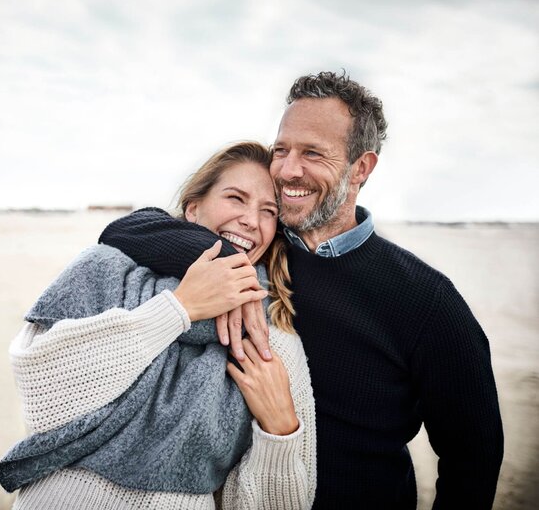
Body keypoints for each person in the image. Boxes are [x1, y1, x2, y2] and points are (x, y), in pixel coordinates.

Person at [99, 71, 505, 509]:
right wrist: (222, 260)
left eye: (313, 153)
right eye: (282, 150)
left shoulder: (425, 299)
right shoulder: (258, 248)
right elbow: (127, 228)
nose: (289, 170)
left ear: (361, 168)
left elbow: (474, 454)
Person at [0, 142, 317, 509]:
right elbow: (42, 396)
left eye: (268, 211)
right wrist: (179, 309)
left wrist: (280, 433)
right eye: (235, 198)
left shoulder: (268, 332)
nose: (250, 220)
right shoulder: (105, 268)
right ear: (194, 208)